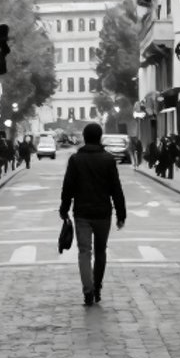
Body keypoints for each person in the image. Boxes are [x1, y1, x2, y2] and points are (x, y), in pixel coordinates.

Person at [58, 122, 127, 306]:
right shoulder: (108, 160)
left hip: (82, 213)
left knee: (84, 252)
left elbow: (68, 187)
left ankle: (87, 290)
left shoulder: (75, 160)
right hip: (103, 213)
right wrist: (121, 214)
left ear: (85, 137)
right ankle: (97, 287)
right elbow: (116, 189)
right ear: (100, 137)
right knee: (100, 251)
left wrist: (64, 209)